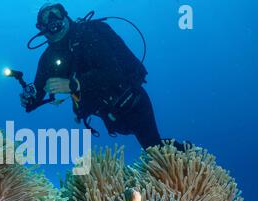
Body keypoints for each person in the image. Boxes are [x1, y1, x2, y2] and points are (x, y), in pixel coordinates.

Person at [20, 3, 170, 150]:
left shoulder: (87, 34)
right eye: (46, 16)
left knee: (155, 150)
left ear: (65, 15)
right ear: (41, 27)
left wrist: (74, 84)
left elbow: (113, 71)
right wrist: (30, 99)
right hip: (110, 117)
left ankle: (191, 157)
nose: (53, 18)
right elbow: (38, 90)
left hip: (132, 103)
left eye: (56, 12)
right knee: (155, 150)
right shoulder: (48, 59)